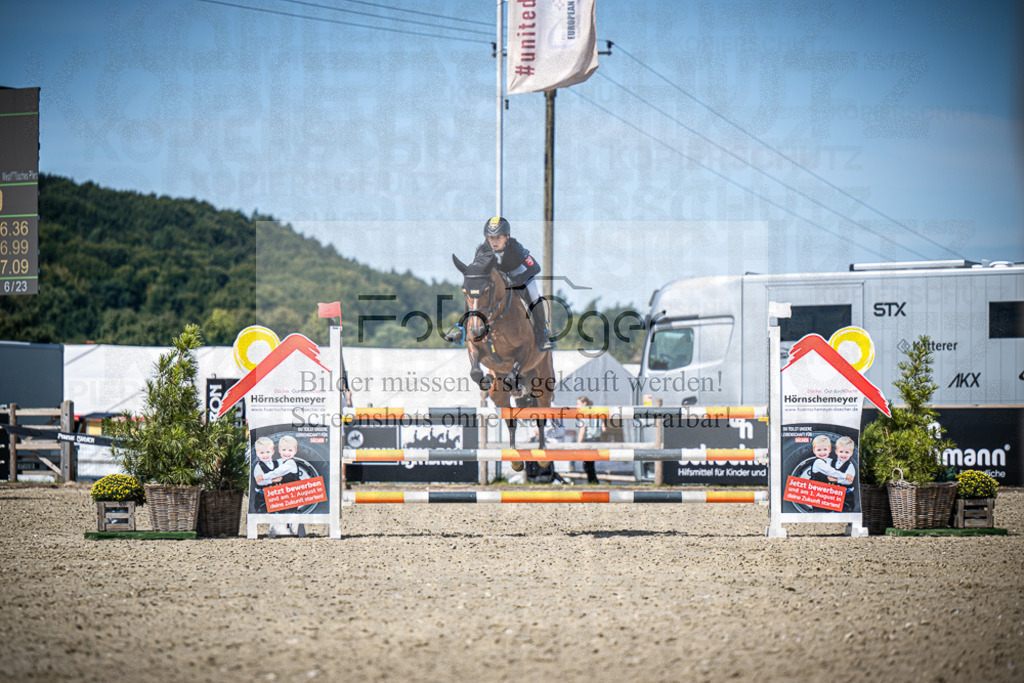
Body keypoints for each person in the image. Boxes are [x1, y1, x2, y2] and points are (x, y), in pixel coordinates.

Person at [446, 216, 553, 351]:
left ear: (507, 237)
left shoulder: (516, 249)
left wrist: (517, 280)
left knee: (534, 295)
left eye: (498, 238)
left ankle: (543, 333)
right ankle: (462, 330)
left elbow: (535, 268)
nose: (494, 242)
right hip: (499, 277)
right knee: (473, 292)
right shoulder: (483, 251)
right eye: (491, 238)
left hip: (519, 274)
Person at [576, 396, 602, 484]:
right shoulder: (596, 413)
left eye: (579, 404)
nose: (577, 406)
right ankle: (593, 481)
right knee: (590, 463)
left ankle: (593, 481)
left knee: (587, 464)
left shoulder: (584, 414)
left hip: (588, 440)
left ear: (584, 404)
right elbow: (604, 428)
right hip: (597, 439)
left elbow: (582, 430)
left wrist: (578, 444)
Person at [830, 436, 858, 512]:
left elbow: (849, 481)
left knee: (845, 511)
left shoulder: (850, 466)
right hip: (835, 493)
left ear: (851, 453)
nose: (843, 455)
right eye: (841, 452)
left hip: (846, 495)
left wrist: (836, 480)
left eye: (847, 452)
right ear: (836, 452)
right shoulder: (832, 462)